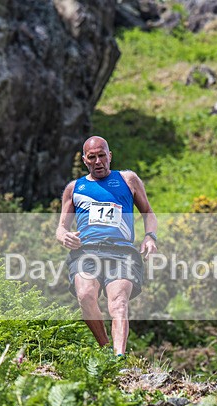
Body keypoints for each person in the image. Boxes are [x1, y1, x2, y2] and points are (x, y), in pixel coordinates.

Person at [56, 136, 158, 358]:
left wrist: (150, 237)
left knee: (119, 303)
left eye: (102, 155)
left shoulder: (128, 179)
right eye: (92, 157)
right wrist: (65, 237)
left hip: (122, 252)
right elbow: (61, 227)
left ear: (109, 156)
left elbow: (148, 213)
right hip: (86, 251)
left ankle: (119, 358)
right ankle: (105, 350)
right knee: (85, 296)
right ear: (85, 160)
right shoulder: (74, 188)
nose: (98, 161)